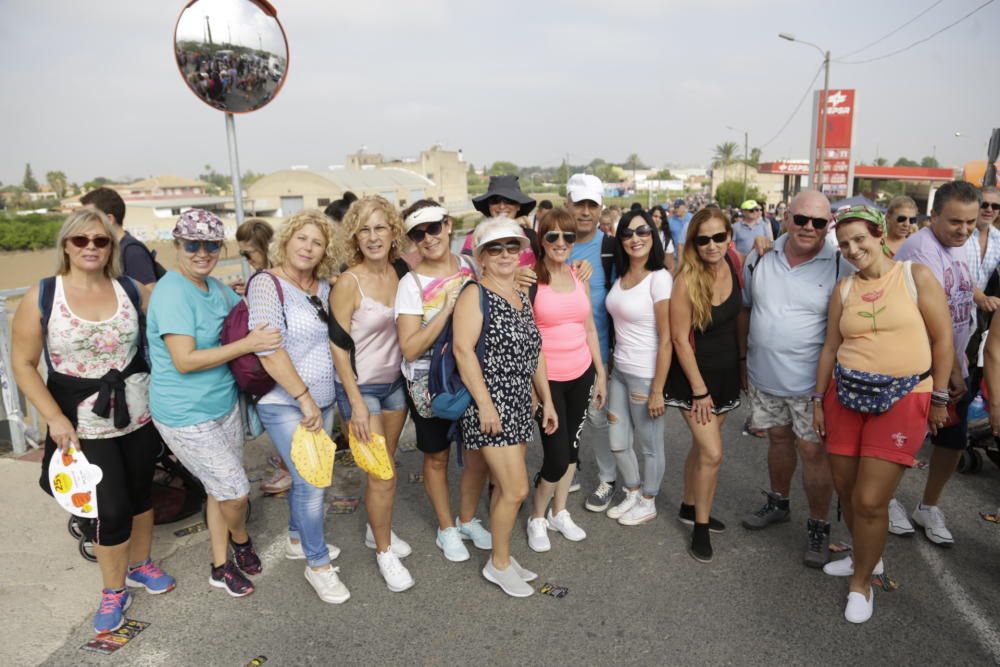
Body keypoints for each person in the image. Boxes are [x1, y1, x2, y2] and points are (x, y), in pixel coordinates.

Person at [11, 207, 173, 634]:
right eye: (81, 240)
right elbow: (24, 364)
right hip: (80, 424)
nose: (91, 248)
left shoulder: (131, 289)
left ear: (111, 247)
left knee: (141, 495)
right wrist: (54, 418)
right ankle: (112, 590)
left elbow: (173, 318)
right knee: (109, 508)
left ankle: (141, 564)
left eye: (100, 241)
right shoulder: (43, 295)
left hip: (137, 413)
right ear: (65, 244)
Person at [813, 205, 952, 623]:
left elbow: (943, 340)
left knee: (871, 500)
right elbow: (830, 349)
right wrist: (817, 400)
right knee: (846, 488)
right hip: (845, 397)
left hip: (904, 399)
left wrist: (941, 399)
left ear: (878, 235)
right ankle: (866, 558)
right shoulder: (843, 290)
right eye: (845, 245)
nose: (854, 250)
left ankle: (862, 584)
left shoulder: (914, 276)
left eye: (860, 239)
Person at [147, 209, 281, 598]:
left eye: (210, 245)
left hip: (223, 406)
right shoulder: (172, 292)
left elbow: (238, 313)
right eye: (193, 244)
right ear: (177, 246)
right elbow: (184, 360)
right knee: (236, 492)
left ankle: (220, 567)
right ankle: (241, 540)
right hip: (186, 415)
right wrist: (247, 345)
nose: (202, 253)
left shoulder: (214, 287)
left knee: (216, 488)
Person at [738, 191, 852, 568]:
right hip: (764, 376)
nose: (808, 228)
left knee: (812, 453)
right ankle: (778, 502)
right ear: (786, 217)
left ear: (828, 225)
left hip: (811, 387)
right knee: (778, 440)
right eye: (801, 219)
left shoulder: (839, 265)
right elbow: (747, 309)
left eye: (818, 222)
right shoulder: (760, 255)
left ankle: (819, 526)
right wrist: (742, 360)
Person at [246, 210, 349, 603]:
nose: (308, 247)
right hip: (285, 401)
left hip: (320, 400)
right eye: (301, 238)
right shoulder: (266, 284)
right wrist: (303, 397)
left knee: (308, 476)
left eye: (317, 242)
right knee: (312, 481)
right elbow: (269, 348)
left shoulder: (322, 286)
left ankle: (294, 538)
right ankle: (318, 565)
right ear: (286, 241)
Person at [453, 218, 557, 597]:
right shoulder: (473, 294)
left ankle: (503, 555)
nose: (505, 254)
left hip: (517, 403)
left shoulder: (519, 294)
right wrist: (484, 405)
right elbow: (464, 352)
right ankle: (497, 565)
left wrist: (545, 399)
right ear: (480, 256)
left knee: (505, 488)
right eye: (494, 248)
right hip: (490, 406)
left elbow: (535, 351)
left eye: (512, 247)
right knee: (514, 490)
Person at [394, 200, 492, 562]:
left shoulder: (471, 267)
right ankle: (445, 527)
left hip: (470, 374)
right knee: (436, 457)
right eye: (418, 234)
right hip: (429, 382)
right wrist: (447, 310)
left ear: (448, 225)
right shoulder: (411, 283)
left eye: (433, 228)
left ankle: (467, 518)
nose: (427, 238)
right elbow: (409, 347)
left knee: (477, 452)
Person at [330, 196, 413, 592]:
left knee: (387, 468)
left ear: (393, 231)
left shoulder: (402, 271)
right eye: (364, 229)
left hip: (396, 385)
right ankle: (384, 552)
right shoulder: (349, 282)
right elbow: (338, 347)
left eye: (380, 227)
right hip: (361, 390)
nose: (373, 236)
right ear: (355, 237)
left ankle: (374, 530)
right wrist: (357, 404)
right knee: (381, 474)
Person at [889, 181, 979, 544]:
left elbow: (962, 293)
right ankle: (887, 499)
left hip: (955, 362)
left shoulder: (959, 245)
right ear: (934, 216)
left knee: (953, 442)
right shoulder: (919, 250)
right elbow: (932, 320)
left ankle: (928, 506)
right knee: (902, 442)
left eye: (971, 222)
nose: (965, 230)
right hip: (920, 368)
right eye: (956, 222)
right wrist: (951, 373)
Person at [665, 208, 742, 563]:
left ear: (729, 236)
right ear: (693, 243)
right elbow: (680, 339)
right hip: (693, 380)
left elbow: (738, 320)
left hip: (726, 377)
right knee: (713, 453)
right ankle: (700, 526)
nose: (712, 245)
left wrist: (741, 366)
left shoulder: (735, 264)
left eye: (718, 237)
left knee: (700, 449)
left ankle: (687, 504)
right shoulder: (686, 280)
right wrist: (699, 390)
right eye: (703, 239)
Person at [526, 208, 606, 551]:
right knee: (556, 458)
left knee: (572, 452)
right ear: (541, 239)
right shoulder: (529, 279)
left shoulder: (579, 275)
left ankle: (560, 512)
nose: (561, 243)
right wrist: (538, 391)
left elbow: (588, 327)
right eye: (553, 236)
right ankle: (537, 517)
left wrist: (600, 374)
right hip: (549, 380)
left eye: (568, 237)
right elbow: (530, 340)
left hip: (582, 373)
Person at [602, 211, 673, 525]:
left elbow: (667, 338)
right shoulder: (619, 275)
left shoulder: (659, 278)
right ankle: (632, 491)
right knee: (618, 441)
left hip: (646, 376)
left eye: (643, 231)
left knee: (650, 445)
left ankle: (648, 499)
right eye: (628, 233)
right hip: (619, 371)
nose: (635, 238)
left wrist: (659, 388)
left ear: (653, 235)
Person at [563, 174, 618, 513]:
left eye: (591, 205)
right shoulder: (554, 242)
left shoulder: (611, 248)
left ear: (600, 209)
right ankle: (568, 468)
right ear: (567, 204)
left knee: (597, 419)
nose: (584, 212)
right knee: (563, 418)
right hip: (559, 352)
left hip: (598, 349)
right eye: (578, 204)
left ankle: (608, 478)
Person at [232, 219, 291, 496]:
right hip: (288, 362)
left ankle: (289, 468)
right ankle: (287, 463)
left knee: (283, 419)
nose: (246, 260)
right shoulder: (286, 274)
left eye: (248, 254)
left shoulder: (264, 279)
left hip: (276, 364)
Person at [80, 187, 164, 286]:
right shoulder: (115, 249)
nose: (83, 222)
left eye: (89, 217)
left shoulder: (132, 252)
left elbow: (149, 293)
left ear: (109, 220)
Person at [463, 175, 539, 266]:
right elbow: (468, 273)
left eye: (509, 200)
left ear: (518, 206)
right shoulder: (474, 238)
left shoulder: (531, 236)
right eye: (495, 200)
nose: (502, 206)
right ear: (489, 205)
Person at [964, 186, 1000, 294]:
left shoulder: (998, 238)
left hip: (977, 308)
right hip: (947, 304)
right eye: (984, 205)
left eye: (995, 206)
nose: (989, 209)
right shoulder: (959, 233)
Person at [667, 199, 693, 264]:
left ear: (684, 207)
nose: (676, 209)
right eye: (675, 207)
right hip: (676, 256)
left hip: (691, 256)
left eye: (678, 207)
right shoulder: (671, 221)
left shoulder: (692, 218)